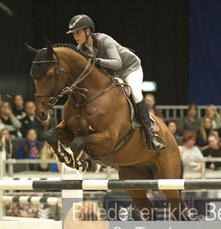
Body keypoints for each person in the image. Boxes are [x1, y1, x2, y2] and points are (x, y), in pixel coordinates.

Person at [67, 14, 165, 152]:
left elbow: (117, 63)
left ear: (88, 31)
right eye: (73, 34)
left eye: (78, 32)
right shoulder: (80, 49)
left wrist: (98, 61)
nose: (75, 36)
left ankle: (150, 134)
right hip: (112, 74)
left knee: (136, 94)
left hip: (129, 68)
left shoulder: (104, 39)